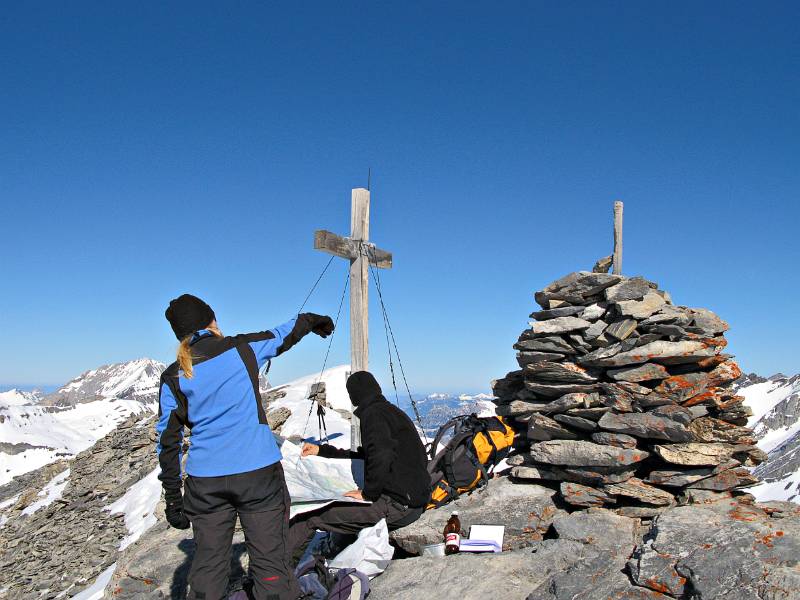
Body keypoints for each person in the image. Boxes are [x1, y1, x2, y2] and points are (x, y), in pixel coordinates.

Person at [156, 293, 333, 600]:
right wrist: (316, 321)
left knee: (209, 567)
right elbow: (284, 333)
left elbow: (167, 441)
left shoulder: (173, 376)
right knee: (270, 564)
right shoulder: (240, 348)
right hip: (257, 473)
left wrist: (173, 498)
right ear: (211, 322)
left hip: (205, 483)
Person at [288, 371, 430, 562]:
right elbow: (367, 455)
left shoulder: (373, 415)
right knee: (341, 511)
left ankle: (278, 579)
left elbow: (381, 455)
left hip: (399, 506)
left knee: (308, 517)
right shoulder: (392, 412)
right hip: (413, 501)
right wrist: (322, 451)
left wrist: (367, 494)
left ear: (353, 395)